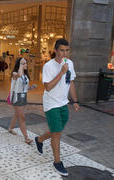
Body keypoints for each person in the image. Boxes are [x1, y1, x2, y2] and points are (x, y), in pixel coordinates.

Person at [34, 39, 79, 176]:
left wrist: (75, 101)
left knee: (56, 131)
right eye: (61, 50)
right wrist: (61, 72)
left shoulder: (70, 63)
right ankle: (57, 162)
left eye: (66, 50)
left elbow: (71, 82)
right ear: (55, 51)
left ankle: (39, 139)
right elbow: (47, 87)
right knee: (57, 133)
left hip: (63, 103)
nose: (64, 53)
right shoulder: (48, 66)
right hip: (51, 103)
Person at [8, 57, 34, 144]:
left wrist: (31, 87)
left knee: (16, 115)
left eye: (26, 63)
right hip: (16, 97)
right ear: (19, 64)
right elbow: (18, 75)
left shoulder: (25, 76)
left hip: (23, 97)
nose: (26, 65)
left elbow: (25, 88)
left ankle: (10, 128)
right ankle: (26, 137)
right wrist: (20, 65)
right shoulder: (15, 73)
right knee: (22, 117)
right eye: (23, 63)